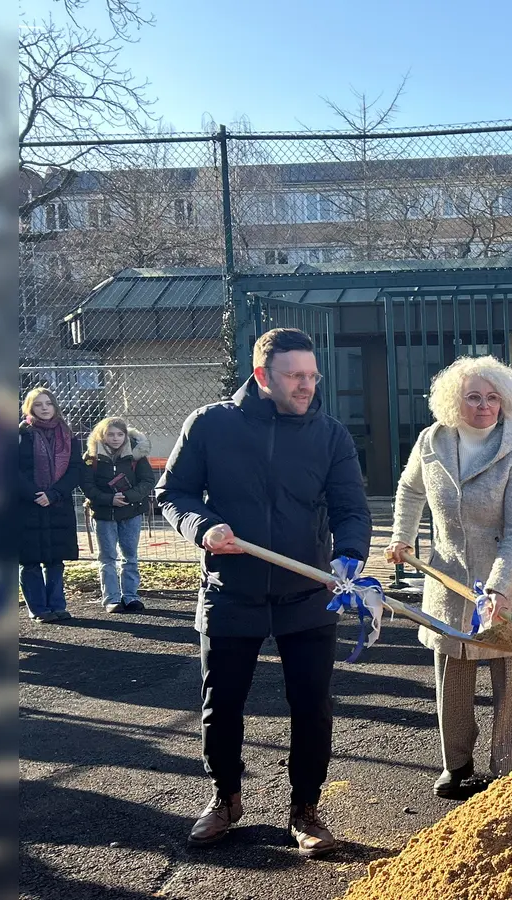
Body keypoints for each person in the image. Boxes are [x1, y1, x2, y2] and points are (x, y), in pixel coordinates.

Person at [157, 327, 370, 856]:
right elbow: (173, 493)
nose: (307, 385)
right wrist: (201, 527)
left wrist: (349, 555)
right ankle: (225, 797)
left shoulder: (331, 435)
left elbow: (350, 507)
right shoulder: (211, 425)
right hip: (232, 589)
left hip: (308, 591)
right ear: (262, 376)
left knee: (312, 705)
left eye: (312, 375)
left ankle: (306, 809)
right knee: (222, 704)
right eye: (295, 376)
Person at [387, 356, 512, 800]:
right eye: (474, 397)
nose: (484, 406)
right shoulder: (431, 442)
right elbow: (411, 489)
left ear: (506, 403)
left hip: (505, 583)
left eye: (493, 398)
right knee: (452, 673)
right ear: (455, 401)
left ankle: (506, 768)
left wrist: (497, 588)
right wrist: (402, 535)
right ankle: (456, 764)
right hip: (448, 579)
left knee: (510, 675)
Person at [17, 388, 83, 623]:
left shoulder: (68, 434)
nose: (44, 408)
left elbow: (76, 469)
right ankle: (38, 609)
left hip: (58, 504)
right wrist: (35, 494)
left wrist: (54, 494)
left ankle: (57, 605)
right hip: (28, 504)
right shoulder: (21, 434)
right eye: (38, 404)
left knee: (55, 558)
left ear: (55, 406)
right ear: (29, 408)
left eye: (48, 403)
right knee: (30, 560)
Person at [81, 417, 156, 613]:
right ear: (102, 435)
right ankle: (111, 599)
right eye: (111, 434)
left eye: (120, 434)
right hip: (104, 514)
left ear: (126, 436)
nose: (115, 438)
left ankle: (131, 596)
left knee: (130, 556)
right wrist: (108, 499)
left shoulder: (136, 456)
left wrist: (130, 496)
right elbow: (87, 485)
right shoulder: (92, 457)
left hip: (131, 512)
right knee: (107, 557)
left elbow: (147, 481)